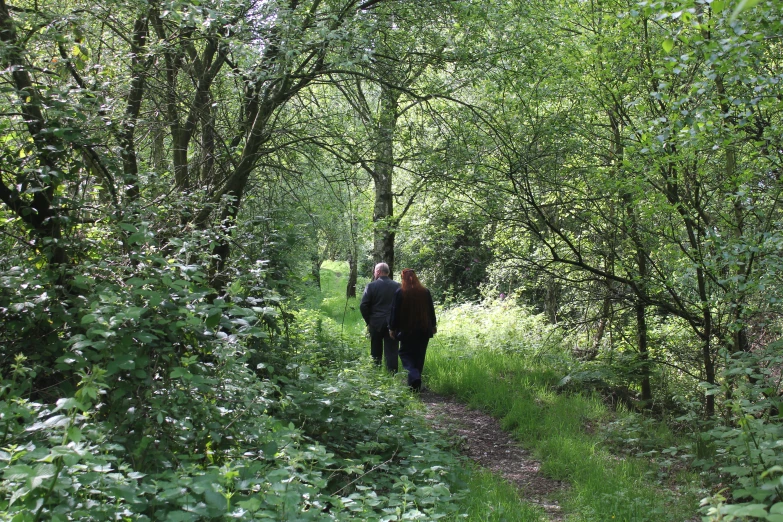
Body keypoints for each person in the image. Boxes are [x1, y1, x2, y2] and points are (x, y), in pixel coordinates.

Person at [388, 269, 436, 391]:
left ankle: (414, 376)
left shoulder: (400, 292)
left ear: (403, 279)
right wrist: (433, 326)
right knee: (419, 356)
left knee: (405, 354)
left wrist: (392, 328)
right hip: (424, 330)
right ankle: (415, 385)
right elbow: (431, 310)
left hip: (406, 330)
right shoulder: (425, 292)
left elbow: (395, 312)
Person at [359, 262, 401, 372]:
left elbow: (363, 305)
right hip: (392, 324)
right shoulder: (397, 286)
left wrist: (369, 320)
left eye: (374, 271)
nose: (374, 273)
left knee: (375, 350)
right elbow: (402, 305)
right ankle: (391, 375)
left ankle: (375, 373)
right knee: (392, 351)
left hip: (375, 323)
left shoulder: (371, 286)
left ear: (378, 271)